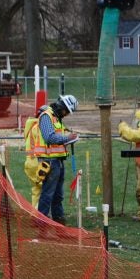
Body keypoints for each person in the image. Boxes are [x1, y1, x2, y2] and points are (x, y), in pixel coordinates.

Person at [33, 95, 79, 225]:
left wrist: (69, 138)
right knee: (48, 194)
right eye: (67, 111)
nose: (66, 114)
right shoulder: (46, 117)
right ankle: (41, 222)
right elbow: (49, 138)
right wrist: (67, 138)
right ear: (61, 107)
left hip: (57, 161)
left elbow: (58, 137)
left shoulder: (56, 118)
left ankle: (58, 220)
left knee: (58, 195)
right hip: (49, 161)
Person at [23, 105, 48, 207]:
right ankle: (40, 216)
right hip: (37, 162)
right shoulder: (39, 127)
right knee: (45, 190)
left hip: (30, 162)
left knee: (36, 190)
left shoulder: (31, 125)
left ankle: (35, 214)